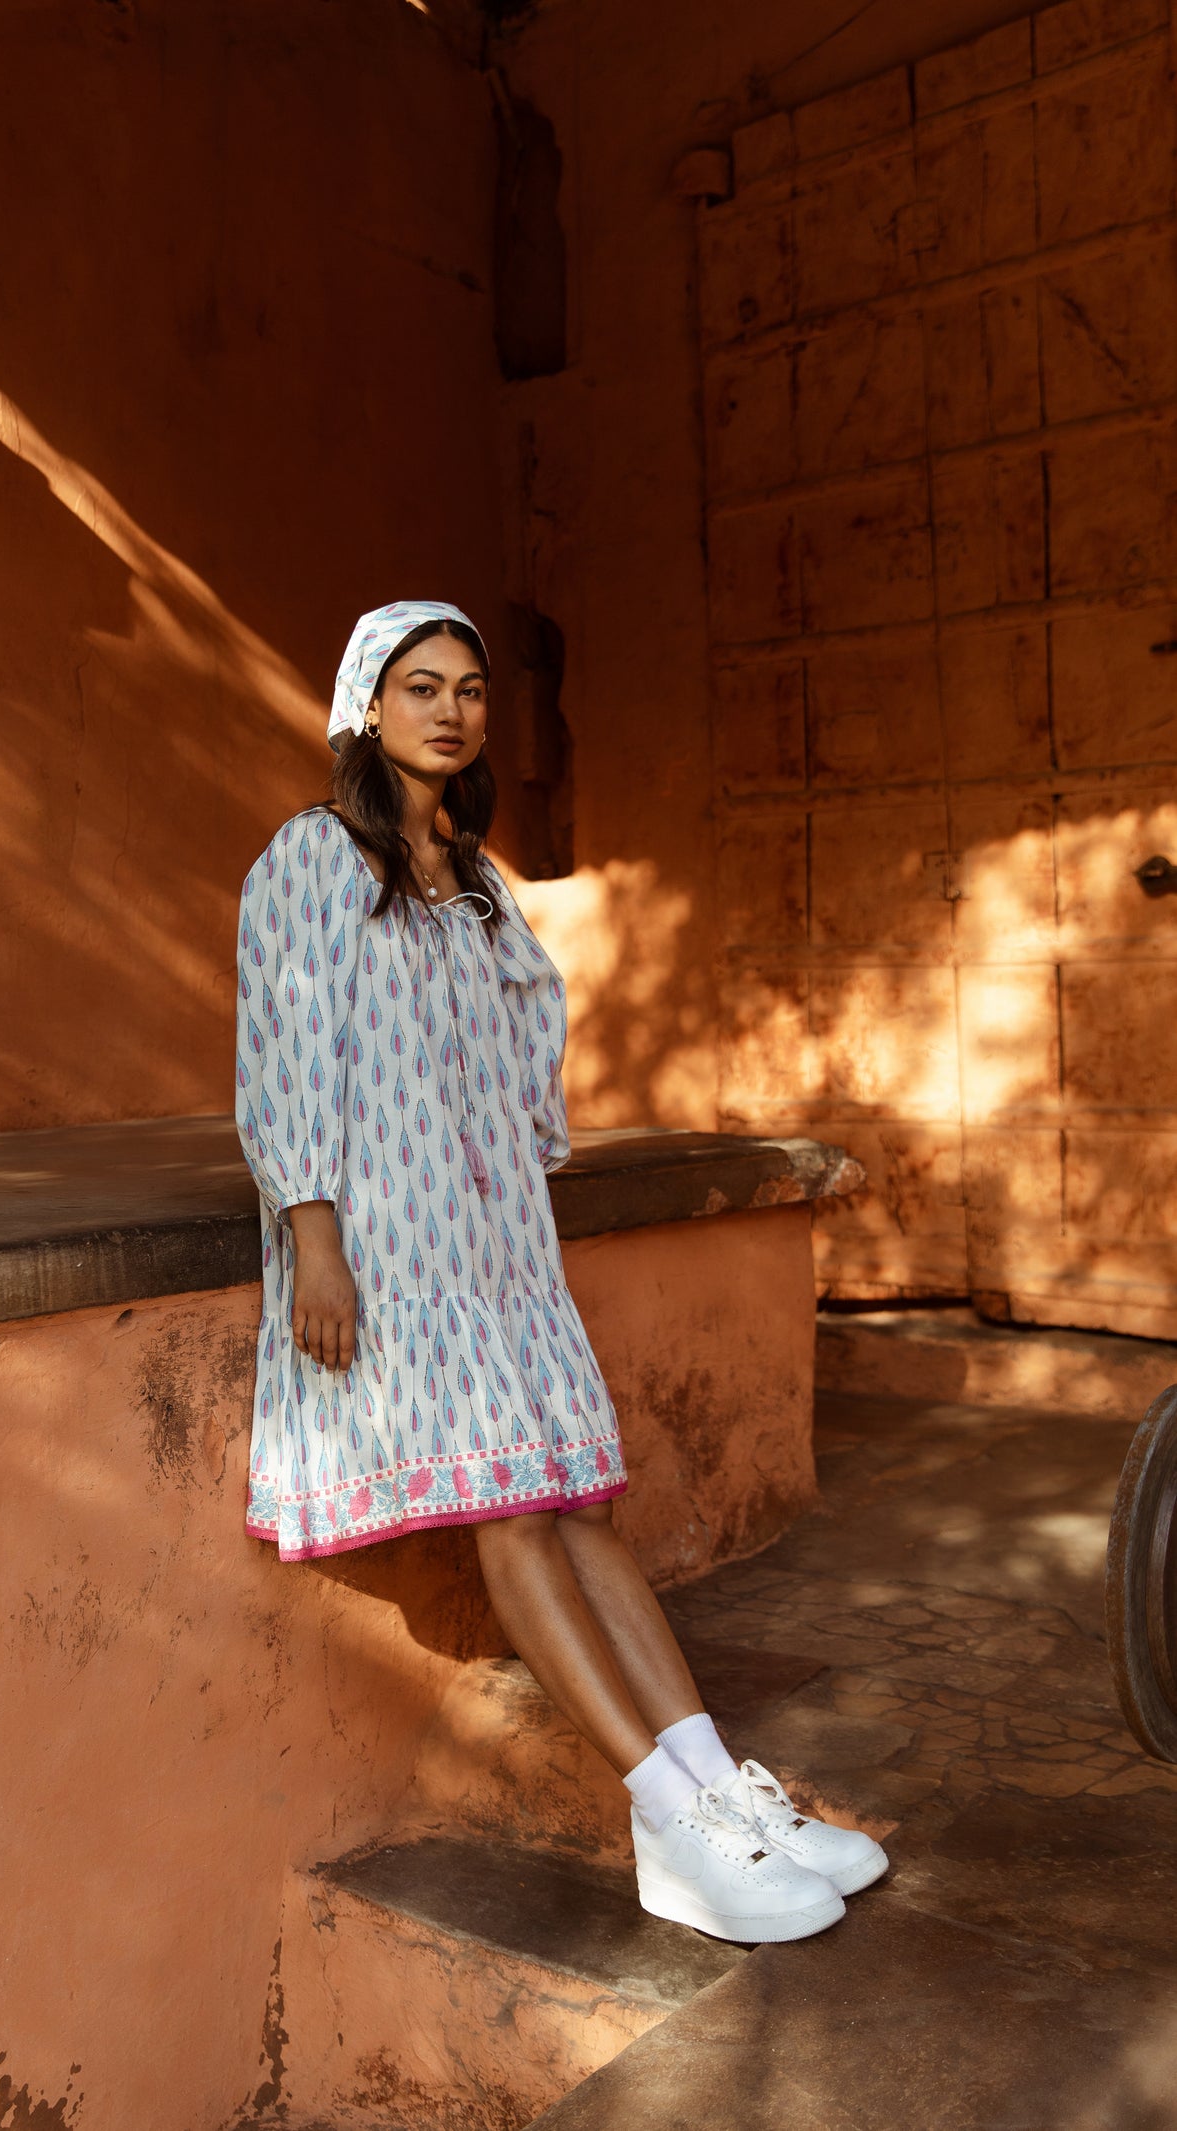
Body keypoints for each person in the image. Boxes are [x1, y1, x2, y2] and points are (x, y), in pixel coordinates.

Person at [234, 599, 886, 1944]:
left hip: (501, 1247)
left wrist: (522, 1136)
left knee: (581, 1510)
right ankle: (666, 1817)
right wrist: (316, 1241)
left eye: (470, 688)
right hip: (393, 1246)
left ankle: (718, 1795)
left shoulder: (472, 881)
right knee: (516, 1519)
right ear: (367, 707)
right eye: (420, 686)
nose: (453, 708)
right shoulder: (312, 858)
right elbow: (284, 1058)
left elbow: (530, 1040)